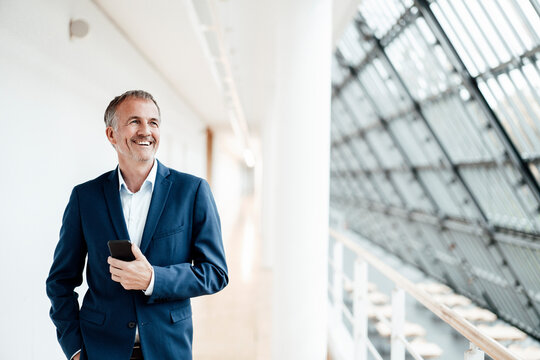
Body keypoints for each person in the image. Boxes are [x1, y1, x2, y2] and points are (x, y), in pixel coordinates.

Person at [46, 90, 228, 360]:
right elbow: (60, 282)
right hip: (100, 350)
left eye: (153, 122)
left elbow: (215, 272)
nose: (146, 131)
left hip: (168, 348)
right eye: (134, 121)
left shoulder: (192, 191)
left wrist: (153, 279)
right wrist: (74, 349)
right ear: (111, 135)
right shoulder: (85, 198)